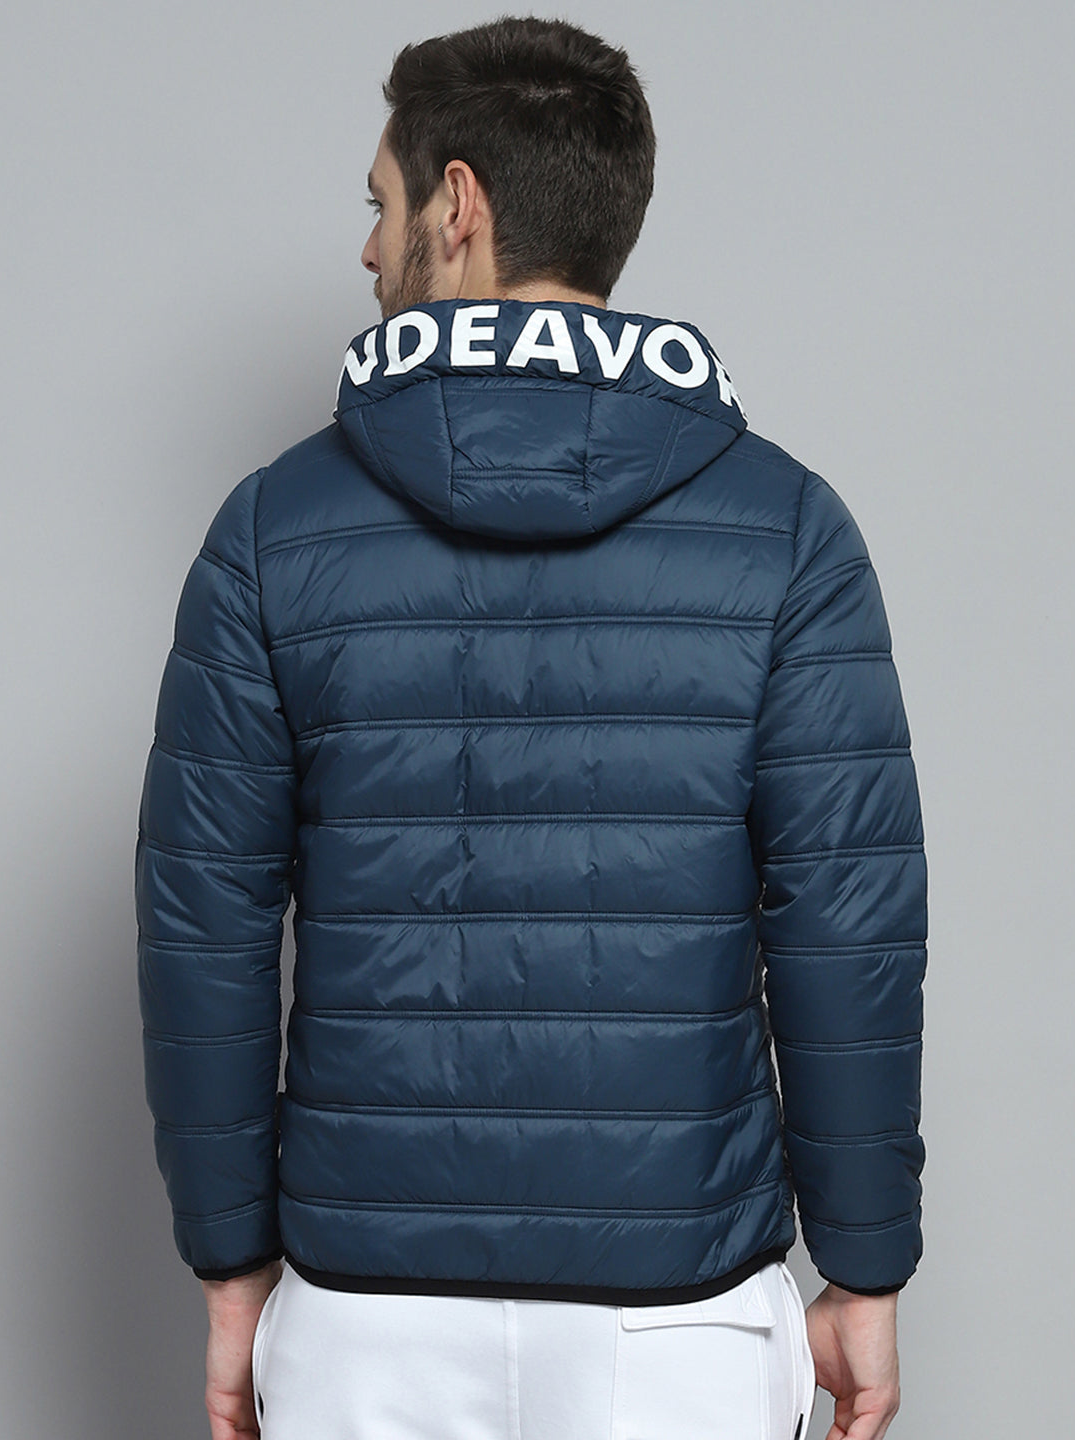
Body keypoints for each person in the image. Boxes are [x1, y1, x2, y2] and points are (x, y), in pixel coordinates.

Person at [134, 16, 927, 1440]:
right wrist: (863, 1266)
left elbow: (206, 923)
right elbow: (847, 919)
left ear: (459, 204)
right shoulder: (790, 528)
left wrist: (231, 1264)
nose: (366, 249)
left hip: (365, 1313)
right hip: (678, 1315)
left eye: (380, 205)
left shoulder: (269, 531)